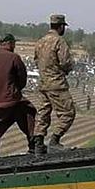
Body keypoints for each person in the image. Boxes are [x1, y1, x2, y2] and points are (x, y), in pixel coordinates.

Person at [0, 35, 39, 157]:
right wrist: (15, 90)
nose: (14, 46)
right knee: (29, 113)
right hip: (12, 99)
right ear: (10, 43)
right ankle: (33, 146)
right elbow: (22, 79)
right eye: (14, 43)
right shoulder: (14, 58)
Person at [33, 13, 76, 151]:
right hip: (57, 84)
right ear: (61, 26)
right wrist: (67, 69)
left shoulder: (40, 41)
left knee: (43, 113)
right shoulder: (59, 41)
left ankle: (38, 143)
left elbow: (36, 60)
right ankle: (55, 140)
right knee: (68, 113)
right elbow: (66, 62)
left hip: (43, 84)